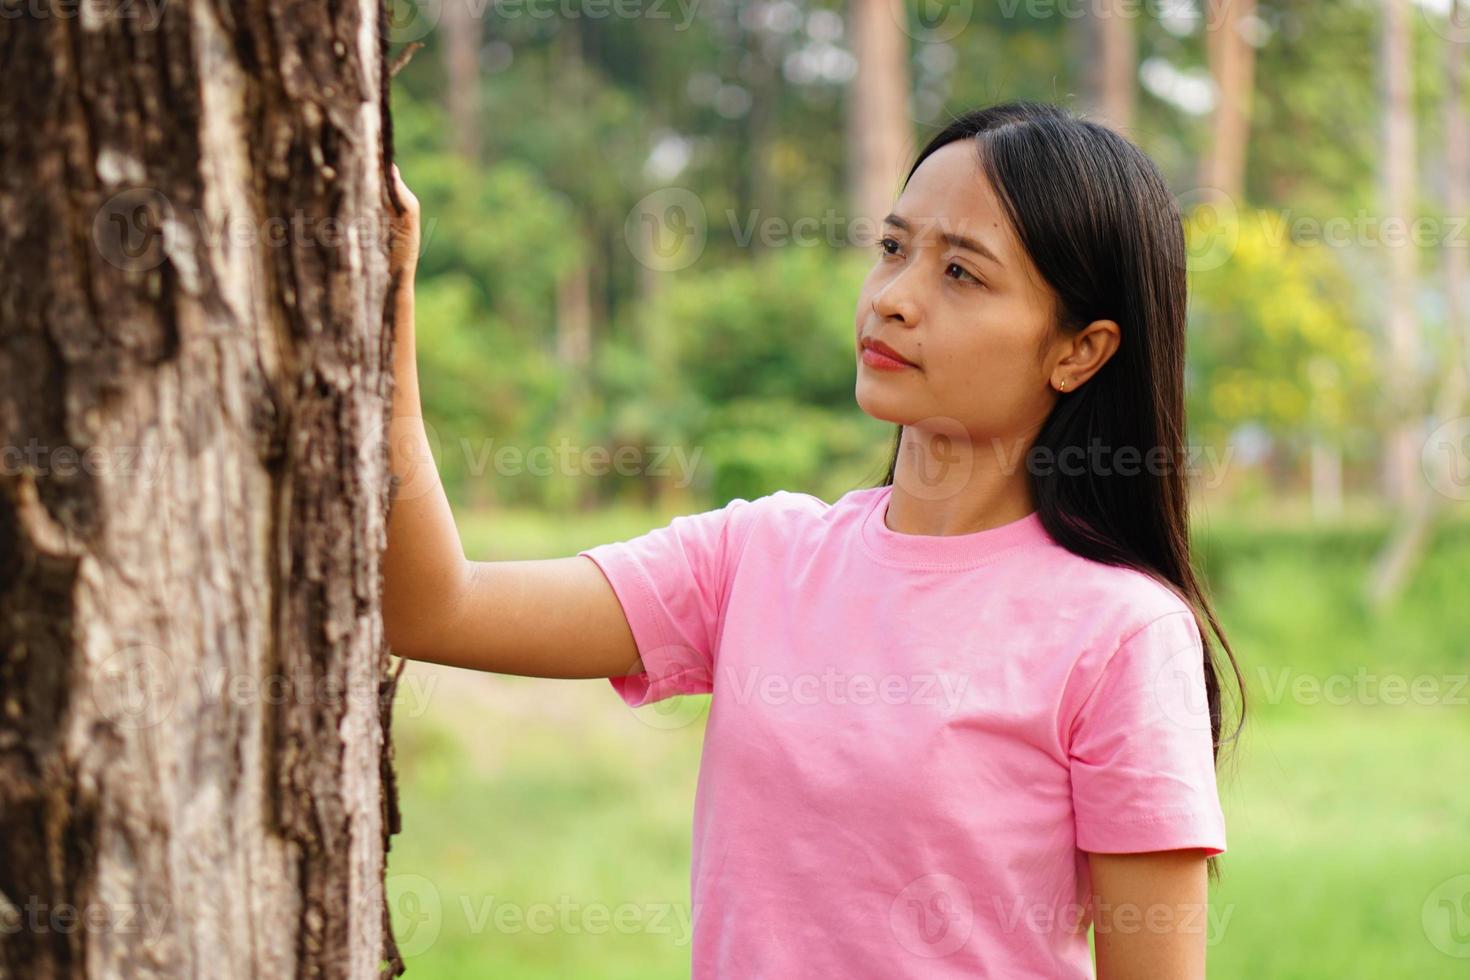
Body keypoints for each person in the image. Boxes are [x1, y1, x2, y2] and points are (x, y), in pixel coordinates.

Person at [381, 99, 1244, 979]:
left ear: (1080, 351)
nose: (895, 299)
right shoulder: (755, 558)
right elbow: (430, 608)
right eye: (895, 249)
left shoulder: (1121, 635)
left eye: (962, 274)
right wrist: (385, 298)